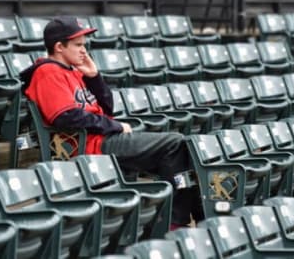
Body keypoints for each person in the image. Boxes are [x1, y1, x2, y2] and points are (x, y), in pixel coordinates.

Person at [20, 16, 201, 230]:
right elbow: (65, 116)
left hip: (102, 139)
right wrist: (114, 126)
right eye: (78, 45)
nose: (83, 51)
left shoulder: (73, 71)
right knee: (175, 143)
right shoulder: (48, 72)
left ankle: (189, 218)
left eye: (84, 45)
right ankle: (176, 222)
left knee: (184, 149)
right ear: (59, 47)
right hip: (89, 145)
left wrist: (94, 77)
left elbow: (107, 109)